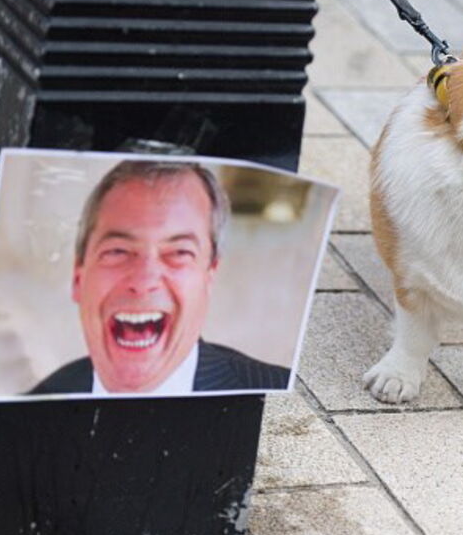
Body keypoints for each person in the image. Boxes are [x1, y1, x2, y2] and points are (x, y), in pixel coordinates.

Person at [30, 160, 290, 395]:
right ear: (78, 277)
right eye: (118, 251)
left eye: (179, 252)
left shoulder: (271, 391)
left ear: (208, 277)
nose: (143, 282)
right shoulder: (34, 402)